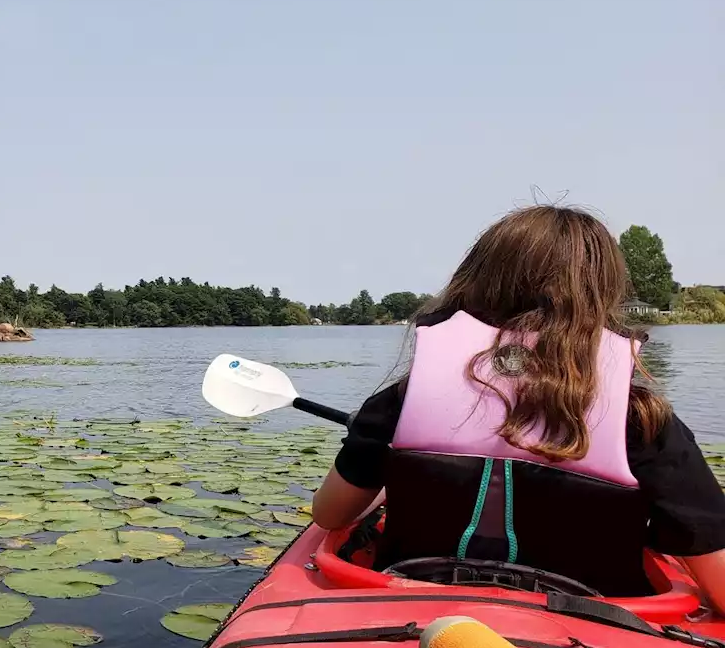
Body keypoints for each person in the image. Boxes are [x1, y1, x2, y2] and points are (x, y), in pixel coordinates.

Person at [310, 204, 725, 611]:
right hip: (587, 639)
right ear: (600, 298)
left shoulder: (399, 403)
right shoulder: (643, 421)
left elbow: (329, 514)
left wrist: (386, 483)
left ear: (472, 285)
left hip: (416, 610)